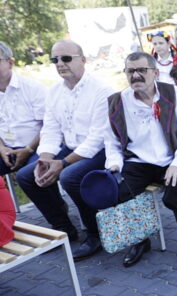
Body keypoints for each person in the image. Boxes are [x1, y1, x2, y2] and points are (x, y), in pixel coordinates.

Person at [17, 40, 115, 258]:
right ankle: (64, 228)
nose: (60, 63)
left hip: (102, 151)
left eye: (66, 58)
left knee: (70, 177)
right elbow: (50, 130)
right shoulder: (54, 92)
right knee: (27, 175)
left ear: (83, 60)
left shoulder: (102, 90)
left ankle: (95, 234)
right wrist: (44, 160)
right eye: (55, 59)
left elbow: (97, 138)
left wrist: (62, 164)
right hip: (71, 148)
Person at [104, 52, 177, 267]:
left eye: (141, 70)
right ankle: (140, 240)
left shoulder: (174, 95)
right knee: (121, 193)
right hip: (138, 161)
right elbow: (111, 140)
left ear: (155, 73)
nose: (136, 75)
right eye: (130, 71)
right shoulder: (117, 102)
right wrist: (114, 164)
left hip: (171, 159)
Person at [0, 41, 46, 177]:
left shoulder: (33, 88)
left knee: (31, 174)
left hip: (36, 147)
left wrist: (28, 149)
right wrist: (2, 149)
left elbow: (49, 125)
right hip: (5, 149)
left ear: (10, 62)